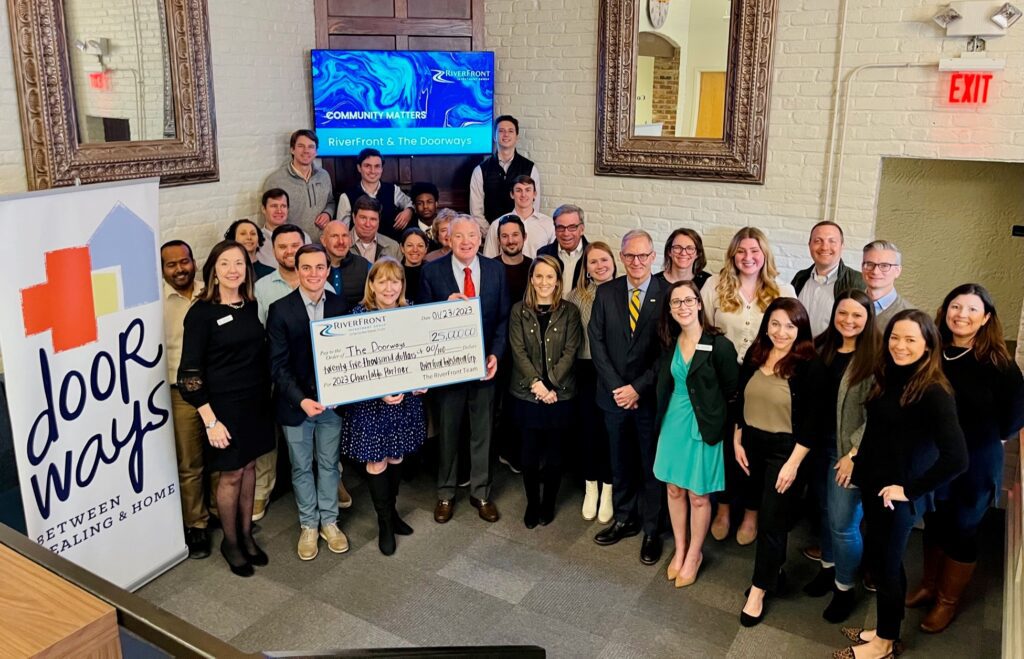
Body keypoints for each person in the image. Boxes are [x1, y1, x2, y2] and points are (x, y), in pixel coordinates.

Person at [836, 310, 967, 659]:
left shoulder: (935, 391)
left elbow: (957, 458)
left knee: (886, 565)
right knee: (882, 562)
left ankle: (884, 644)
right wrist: (858, 461)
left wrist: (909, 491)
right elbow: (880, 430)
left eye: (910, 339)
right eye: (895, 337)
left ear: (928, 346)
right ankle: (885, 630)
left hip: (898, 495)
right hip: (875, 484)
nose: (900, 345)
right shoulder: (891, 374)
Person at [906, 284, 1024, 633]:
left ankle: (947, 601)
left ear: (986, 318)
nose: (962, 315)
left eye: (973, 309)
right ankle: (929, 585)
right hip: (935, 458)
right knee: (934, 521)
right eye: (956, 306)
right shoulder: (931, 352)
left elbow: (1015, 416)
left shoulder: (999, 363)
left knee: (962, 528)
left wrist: (987, 437)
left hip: (976, 461)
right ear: (945, 311)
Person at [178, 240, 275, 577]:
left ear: (247, 269)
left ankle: (246, 534)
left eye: (239, 263)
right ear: (213, 271)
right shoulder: (201, 313)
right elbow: (189, 376)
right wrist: (210, 421)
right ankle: (230, 542)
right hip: (223, 408)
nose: (233, 270)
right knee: (231, 473)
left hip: (255, 403)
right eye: (225, 264)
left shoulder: (250, 305)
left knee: (249, 467)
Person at [701, 227, 796, 546]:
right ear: (732, 255)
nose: (748, 257)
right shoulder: (714, 285)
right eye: (741, 251)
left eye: (755, 251)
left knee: (754, 448)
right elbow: (702, 329)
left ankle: (751, 514)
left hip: (763, 379)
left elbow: (792, 334)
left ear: (765, 255)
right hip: (722, 379)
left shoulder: (783, 289)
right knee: (726, 447)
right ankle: (724, 509)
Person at [733, 298, 824, 626]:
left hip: (786, 452)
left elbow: (813, 422)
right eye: (775, 323)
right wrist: (737, 438)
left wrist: (793, 463)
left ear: (801, 329)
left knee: (772, 520)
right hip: (751, 444)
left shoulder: (810, 365)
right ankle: (775, 572)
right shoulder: (756, 354)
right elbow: (740, 398)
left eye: (789, 325)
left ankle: (759, 590)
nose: (781, 332)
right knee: (761, 507)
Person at [419, 215, 510, 523]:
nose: (466, 241)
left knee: (483, 432)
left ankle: (481, 492)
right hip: (449, 370)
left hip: (485, 368)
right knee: (448, 433)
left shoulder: (496, 270)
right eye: (459, 236)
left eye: (472, 235)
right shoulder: (432, 272)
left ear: (480, 239)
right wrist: (444, 308)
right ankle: (445, 493)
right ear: (449, 239)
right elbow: (421, 319)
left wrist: (496, 354)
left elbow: (503, 318)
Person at [267, 245, 350, 561]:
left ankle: (329, 521)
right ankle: (308, 525)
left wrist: (339, 392)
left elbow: (350, 356)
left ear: (328, 271)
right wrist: (301, 400)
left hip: (332, 406)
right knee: (301, 466)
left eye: (319, 267)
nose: (313, 273)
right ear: (297, 270)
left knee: (329, 464)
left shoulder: (341, 305)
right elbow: (278, 366)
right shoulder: (280, 310)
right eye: (306, 267)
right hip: (296, 405)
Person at [588, 229, 667, 565]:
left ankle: (652, 529)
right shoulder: (606, 292)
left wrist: (638, 388)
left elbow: (668, 351)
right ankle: (624, 518)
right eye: (630, 255)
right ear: (621, 257)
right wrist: (619, 389)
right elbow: (596, 341)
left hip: (648, 398)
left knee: (650, 465)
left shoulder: (668, 294)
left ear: (653, 257)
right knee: (619, 461)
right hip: (613, 397)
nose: (636, 261)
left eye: (643, 255)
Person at [654, 280, 738, 588]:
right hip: (673, 422)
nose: (683, 307)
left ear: (700, 303)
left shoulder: (719, 345)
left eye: (689, 300)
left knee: (698, 496)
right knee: (674, 489)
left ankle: (694, 554)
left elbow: (732, 392)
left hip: (704, 425)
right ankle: (680, 548)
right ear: (670, 309)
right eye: (676, 302)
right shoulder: (669, 342)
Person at [802, 290, 880, 623]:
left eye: (857, 315)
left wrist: (854, 453)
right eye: (842, 313)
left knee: (843, 524)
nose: (848, 321)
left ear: (868, 319)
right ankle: (828, 567)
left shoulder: (876, 358)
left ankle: (844, 588)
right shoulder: (822, 348)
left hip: (847, 452)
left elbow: (879, 413)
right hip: (816, 447)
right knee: (823, 514)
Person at [341, 258, 427, 554]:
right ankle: (385, 522)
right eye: (383, 281)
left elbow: (421, 354)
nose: (389, 288)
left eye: (395, 281)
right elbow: (352, 367)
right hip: (371, 405)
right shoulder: (357, 317)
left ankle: (392, 511)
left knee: (396, 457)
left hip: (404, 402)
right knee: (377, 461)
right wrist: (379, 393)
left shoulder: (411, 312)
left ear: (402, 284)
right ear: (372, 285)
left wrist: (423, 380)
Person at [507, 256, 582, 527]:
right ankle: (532, 502)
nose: (544, 282)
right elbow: (518, 351)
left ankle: (548, 502)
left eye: (550, 276)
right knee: (528, 454)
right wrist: (537, 385)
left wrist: (549, 384)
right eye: (538, 276)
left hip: (559, 394)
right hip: (527, 394)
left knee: (554, 454)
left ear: (558, 280)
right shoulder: (518, 310)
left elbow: (571, 351)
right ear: (531, 279)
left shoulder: (570, 312)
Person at [161, 240, 210, 559]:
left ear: (193, 261)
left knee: (221, 455)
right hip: (180, 392)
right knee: (189, 462)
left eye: (184, 261)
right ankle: (196, 524)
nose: (180, 268)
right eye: (172, 264)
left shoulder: (210, 292)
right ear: (163, 269)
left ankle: (221, 510)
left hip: (216, 388)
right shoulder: (156, 303)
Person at [566, 242, 618, 523]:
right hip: (586, 371)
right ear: (585, 268)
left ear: (613, 262)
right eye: (593, 262)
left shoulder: (624, 292)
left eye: (604, 260)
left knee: (611, 432)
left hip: (615, 372)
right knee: (589, 431)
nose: (600, 266)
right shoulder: (576, 297)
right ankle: (591, 487)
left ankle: (608, 489)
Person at [494, 214, 533, 473]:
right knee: (496, 404)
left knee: (519, 403)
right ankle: (497, 451)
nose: (510, 240)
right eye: (505, 236)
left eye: (515, 235)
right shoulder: (490, 267)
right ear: (499, 240)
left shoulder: (533, 268)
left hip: (527, 349)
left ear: (524, 237)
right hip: (498, 348)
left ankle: (514, 452)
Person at [792, 221, 865, 337]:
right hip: (798, 348)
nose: (824, 247)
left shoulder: (858, 282)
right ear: (809, 245)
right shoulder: (800, 278)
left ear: (842, 246)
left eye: (832, 241)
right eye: (818, 241)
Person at [263, 129, 335, 238]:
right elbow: (271, 217)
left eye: (311, 147)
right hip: (292, 244)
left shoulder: (324, 176)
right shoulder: (275, 180)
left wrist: (327, 213)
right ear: (292, 149)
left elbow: (330, 202)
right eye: (301, 146)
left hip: (321, 243)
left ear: (316, 152)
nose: (306, 151)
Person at [470, 114, 541, 223]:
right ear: (494, 137)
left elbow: (534, 207)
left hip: (522, 232)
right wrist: (492, 231)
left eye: (510, 131)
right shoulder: (480, 170)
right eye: (501, 131)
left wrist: (520, 230)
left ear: (516, 137)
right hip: (490, 231)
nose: (506, 134)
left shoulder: (530, 168)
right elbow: (476, 212)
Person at [337, 148, 414, 240]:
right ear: (359, 168)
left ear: (382, 169)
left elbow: (412, 203)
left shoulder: (393, 190)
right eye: (367, 166)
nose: (372, 171)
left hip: (390, 246)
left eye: (377, 166)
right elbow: (342, 231)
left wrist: (409, 211)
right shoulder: (346, 196)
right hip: (359, 247)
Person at [482, 176, 554, 259]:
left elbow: (553, 260)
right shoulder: (497, 225)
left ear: (534, 194)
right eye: (518, 190)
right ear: (512, 194)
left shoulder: (549, 224)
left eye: (528, 190)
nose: (523, 195)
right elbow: (488, 259)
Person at [255, 224, 307, 326]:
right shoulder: (260, 288)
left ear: (305, 247)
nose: (290, 251)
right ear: (273, 251)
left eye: (295, 246)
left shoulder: (321, 284)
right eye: (282, 247)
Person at [536, 204, 589, 293]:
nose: (566, 233)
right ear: (555, 229)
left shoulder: (593, 256)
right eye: (560, 227)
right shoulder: (543, 254)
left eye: (572, 227)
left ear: (582, 229)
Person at [861, 240, 912, 330]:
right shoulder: (847, 306)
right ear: (862, 267)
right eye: (869, 264)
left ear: (897, 271)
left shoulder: (910, 316)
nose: (875, 271)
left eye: (884, 266)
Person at [321, 219, 371, 308]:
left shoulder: (364, 266)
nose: (341, 241)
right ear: (323, 241)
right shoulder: (313, 268)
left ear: (350, 240)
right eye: (335, 236)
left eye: (344, 236)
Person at [256, 189, 310, 269]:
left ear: (288, 209)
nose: (279, 211)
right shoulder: (256, 240)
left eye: (283, 206)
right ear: (263, 209)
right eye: (274, 206)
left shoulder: (302, 237)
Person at [350, 195, 402, 263]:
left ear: (379, 221)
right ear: (354, 218)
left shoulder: (393, 247)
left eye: (373, 219)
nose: (367, 224)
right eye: (363, 218)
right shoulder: (340, 244)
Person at [399, 228, 429, 302]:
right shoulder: (394, 272)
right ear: (402, 248)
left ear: (426, 249)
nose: (415, 250)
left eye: (420, 246)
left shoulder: (433, 272)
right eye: (410, 245)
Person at [410, 182, 441, 247]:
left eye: (429, 202)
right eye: (420, 203)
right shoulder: (408, 229)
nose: (425, 206)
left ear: (436, 204)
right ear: (414, 206)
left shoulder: (445, 226)